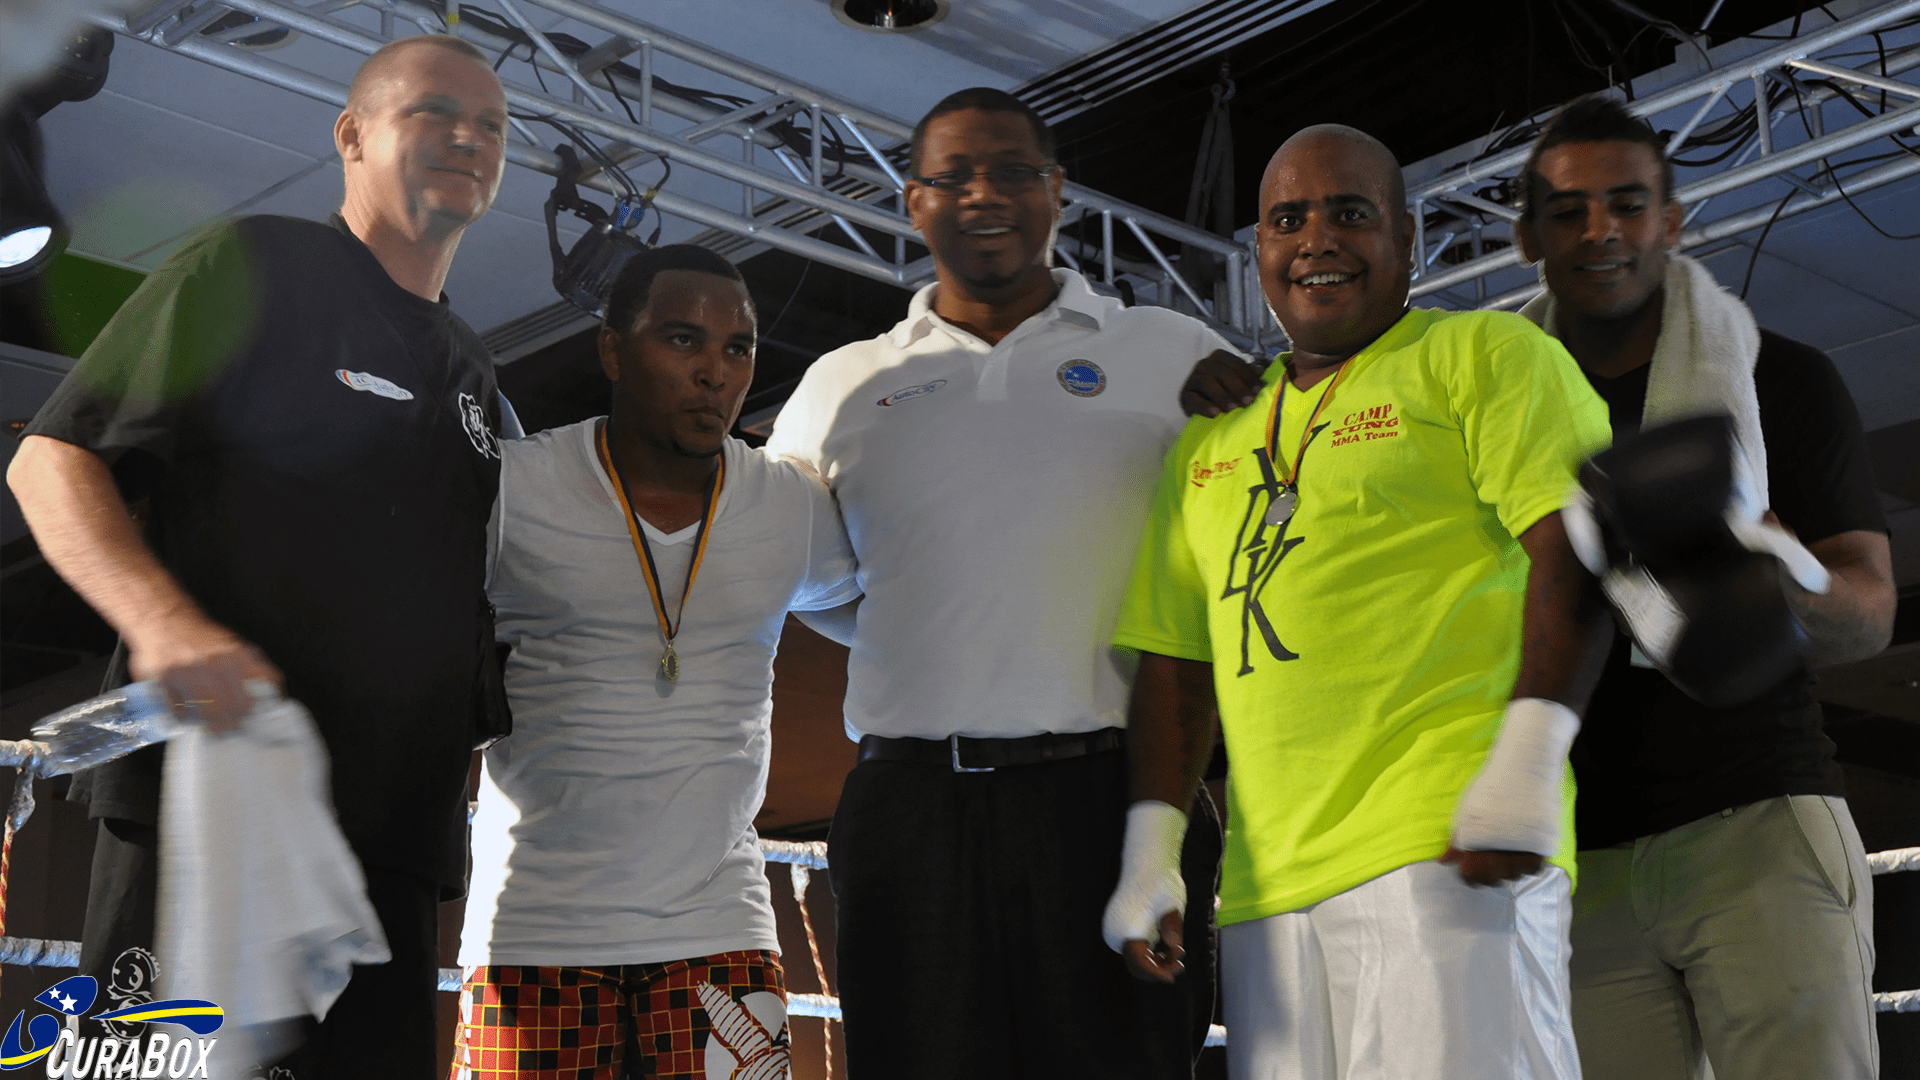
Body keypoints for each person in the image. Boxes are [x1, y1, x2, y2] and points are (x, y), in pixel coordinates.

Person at [7, 34, 510, 1078]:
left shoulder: (473, 368)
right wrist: (164, 626)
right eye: (434, 111)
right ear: (352, 134)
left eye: (491, 126)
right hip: (213, 811)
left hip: (390, 850)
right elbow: (52, 464)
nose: (468, 137)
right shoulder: (255, 265)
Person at [1108, 124, 1613, 1080]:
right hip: (1265, 891)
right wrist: (1151, 852)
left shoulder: (1485, 353)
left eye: (1349, 213)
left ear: (1406, 238)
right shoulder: (1210, 439)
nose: (1317, 240)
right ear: (1258, 249)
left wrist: (1529, 761)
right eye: (1287, 219)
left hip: (1446, 843)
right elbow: (1176, 660)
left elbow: (1582, 554)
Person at [763, 86, 1230, 1078]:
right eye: (954, 176)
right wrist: (935, 629)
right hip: (913, 809)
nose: (984, 194)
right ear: (914, 201)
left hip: (1114, 797)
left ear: (1058, 191)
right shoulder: (841, 383)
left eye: (1013, 171)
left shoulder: (1173, 353)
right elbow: (812, 584)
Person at [1511, 95, 1894, 1080]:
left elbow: (1870, 614)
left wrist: (1775, 578)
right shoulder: (1492, 414)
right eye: (1568, 211)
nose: (1600, 230)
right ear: (1527, 238)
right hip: (1580, 857)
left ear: (1671, 220)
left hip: (1758, 818)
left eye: (1627, 203)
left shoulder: (1782, 379)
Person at [451, 245, 859, 1080]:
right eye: (683, 340)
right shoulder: (514, 489)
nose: (715, 371)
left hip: (722, 931)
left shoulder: (792, 507)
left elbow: (898, 605)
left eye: (738, 349)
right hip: (533, 928)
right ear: (613, 349)